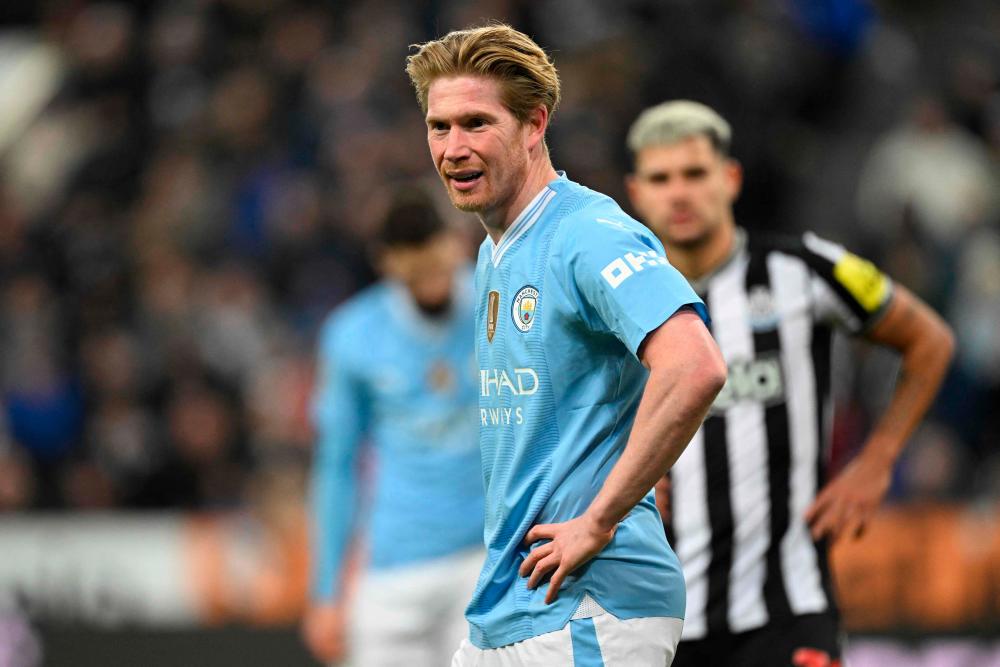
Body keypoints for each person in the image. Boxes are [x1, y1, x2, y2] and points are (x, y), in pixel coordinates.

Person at [406, 25, 728, 666]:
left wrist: (600, 518)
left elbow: (695, 366)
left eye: (476, 123)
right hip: (512, 604)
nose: (454, 148)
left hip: (588, 602)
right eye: (440, 127)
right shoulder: (495, 252)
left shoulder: (588, 234)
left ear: (534, 125)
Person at [624, 100, 955, 667]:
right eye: (661, 178)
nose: (678, 193)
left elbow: (930, 341)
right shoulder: (617, 298)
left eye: (695, 173)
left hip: (789, 607)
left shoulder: (803, 270)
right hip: (661, 620)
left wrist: (878, 459)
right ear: (636, 192)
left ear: (730, 178)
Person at [302, 189, 485, 667]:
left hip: (487, 558)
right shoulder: (353, 336)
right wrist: (326, 592)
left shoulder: (501, 300)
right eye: (415, 268)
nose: (430, 279)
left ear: (457, 243)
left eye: (437, 261)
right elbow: (336, 467)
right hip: (393, 567)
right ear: (386, 263)